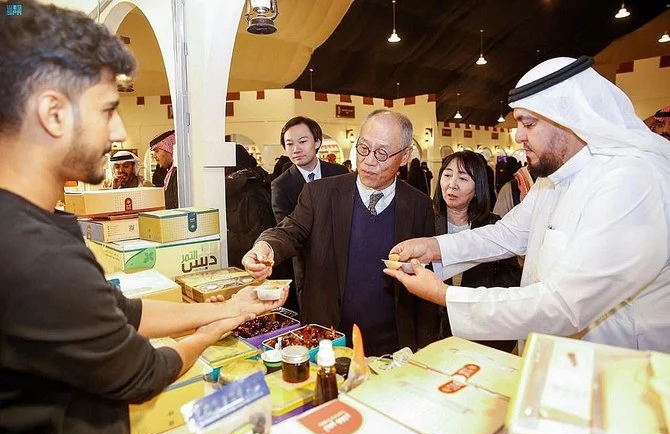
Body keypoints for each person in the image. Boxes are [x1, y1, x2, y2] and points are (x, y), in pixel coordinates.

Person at [0, 3, 286, 434]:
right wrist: (209, 333)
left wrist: (229, 308)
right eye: (108, 109)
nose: (118, 133)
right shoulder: (35, 254)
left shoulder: (32, 226)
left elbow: (124, 314)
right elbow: (142, 372)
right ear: (53, 113)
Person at [385, 56, 670, 353]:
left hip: (621, 374)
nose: (518, 135)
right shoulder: (554, 179)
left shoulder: (632, 182)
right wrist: (434, 246)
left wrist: (445, 295)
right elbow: (506, 234)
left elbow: (564, 305)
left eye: (528, 123)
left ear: (570, 121)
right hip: (556, 361)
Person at [242, 110, 440, 357]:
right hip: (329, 338)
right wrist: (265, 247)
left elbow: (425, 278)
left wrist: (426, 345)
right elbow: (290, 231)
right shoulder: (320, 193)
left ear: (404, 156)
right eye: (363, 148)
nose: (368, 161)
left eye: (381, 153)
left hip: (393, 343)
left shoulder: (418, 205)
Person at [433, 152, 521, 352]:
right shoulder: (426, 221)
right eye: (447, 175)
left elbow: (510, 285)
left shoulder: (494, 227)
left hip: (481, 338)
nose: (452, 184)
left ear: (477, 188)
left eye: (463, 178)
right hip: (434, 339)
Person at [270, 116, 348, 312]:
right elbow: (287, 229)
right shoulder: (280, 185)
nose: (296, 149)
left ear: (317, 143)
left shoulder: (340, 173)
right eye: (289, 144)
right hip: (310, 269)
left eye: (302, 141)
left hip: (346, 261)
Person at [226, 145, 275, 268]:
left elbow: (261, 234)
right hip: (244, 263)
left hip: (254, 264)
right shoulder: (235, 188)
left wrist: (226, 239)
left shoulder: (251, 192)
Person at [150, 130, 178, 209]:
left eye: (157, 151)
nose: (154, 156)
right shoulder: (171, 172)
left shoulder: (177, 173)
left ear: (169, 149)